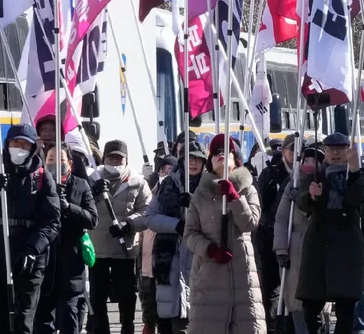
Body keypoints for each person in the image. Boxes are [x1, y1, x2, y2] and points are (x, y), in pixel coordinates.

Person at [0, 124, 60, 334]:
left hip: (29, 257)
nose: (19, 149)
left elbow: (52, 221)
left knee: (23, 319)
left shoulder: (42, 177)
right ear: (7, 145)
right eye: (15, 143)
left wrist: (32, 249)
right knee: (0, 319)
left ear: (32, 148)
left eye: (25, 145)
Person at [183, 134, 265, 334]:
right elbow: (189, 234)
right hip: (209, 275)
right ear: (210, 161)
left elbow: (250, 223)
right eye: (216, 152)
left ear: (235, 159)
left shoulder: (248, 190)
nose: (221, 155)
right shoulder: (200, 196)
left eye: (225, 152)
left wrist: (235, 198)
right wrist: (209, 249)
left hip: (241, 275)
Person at [295, 133, 364, 334]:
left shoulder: (359, 175)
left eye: (340, 149)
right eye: (330, 149)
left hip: (347, 245)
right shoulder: (315, 175)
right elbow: (302, 202)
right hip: (318, 244)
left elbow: (359, 197)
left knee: (345, 304)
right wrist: (311, 196)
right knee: (311, 303)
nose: (335, 153)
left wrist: (354, 171)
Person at [140, 139, 206, 334]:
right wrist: (176, 225)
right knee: (172, 319)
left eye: (198, 159)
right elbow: (150, 217)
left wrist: (194, 205)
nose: (193, 163)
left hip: (199, 256)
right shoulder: (168, 183)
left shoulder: (210, 184)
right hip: (170, 261)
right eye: (189, 159)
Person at [88, 139, 153, 334]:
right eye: (111, 157)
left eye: (119, 158)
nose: (115, 162)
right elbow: (82, 205)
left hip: (124, 250)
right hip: (97, 250)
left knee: (126, 297)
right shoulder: (92, 179)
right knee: (97, 297)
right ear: (104, 158)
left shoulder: (138, 182)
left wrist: (128, 224)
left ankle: (127, 328)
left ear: (126, 159)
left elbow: (148, 211)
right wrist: (93, 192)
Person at [36, 143, 99, 334]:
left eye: (61, 160)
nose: (56, 164)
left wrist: (68, 207)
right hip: (44, 261)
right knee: (42, 320)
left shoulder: (80, 185)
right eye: (51, 160)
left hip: (71, 263)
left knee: (69, 318)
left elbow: (92, 219)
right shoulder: (36, 184)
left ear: (70, 163)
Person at [276, 143, 321, 334]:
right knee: (295, 300)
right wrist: (280, 250)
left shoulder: (325, 183)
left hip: (317, 246)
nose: (310, 164)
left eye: (315, 161)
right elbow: (281, 219)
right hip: (294, 247)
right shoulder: (291, 185)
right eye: (307, 160)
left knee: (317, 301)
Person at [257, 135, 294, 316]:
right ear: (284, 151)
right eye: (292, 150)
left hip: (296, 237)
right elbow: (260, 204)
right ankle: (274, 322)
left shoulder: (308, 172)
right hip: (270, 236)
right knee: (272, 284)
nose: (296, 154)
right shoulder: (270, 173)